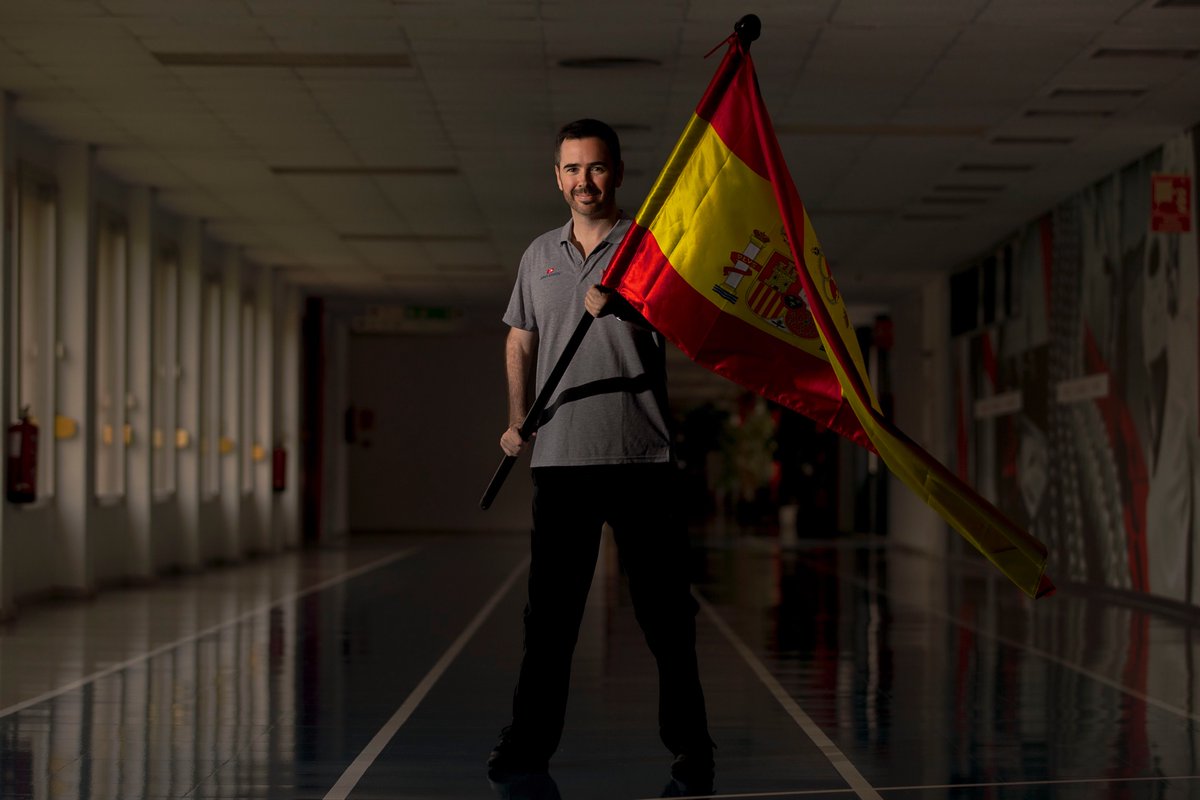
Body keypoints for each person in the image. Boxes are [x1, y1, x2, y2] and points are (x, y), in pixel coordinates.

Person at [488, 118, 715, 790]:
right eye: (572, 169)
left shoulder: (647, 248)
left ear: (616, 171)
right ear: (556, 177)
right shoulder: (538, 254)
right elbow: (520, 339)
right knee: (549, 620)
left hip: (642, 457)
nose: (583, 180)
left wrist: (627, 308)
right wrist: (516, 417)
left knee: (665, 616)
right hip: (560, 461)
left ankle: (692, 744)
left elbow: (686, 324)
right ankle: (527, 745)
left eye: (594, 167)